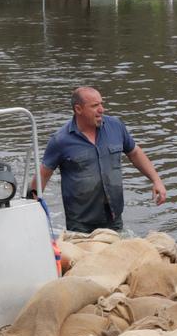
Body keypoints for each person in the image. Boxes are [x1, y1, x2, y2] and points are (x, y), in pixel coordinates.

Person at [37, 86, 166, 233]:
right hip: (81, 224)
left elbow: (135, 153)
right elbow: (43, 174)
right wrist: (32, 206)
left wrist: (156, 180)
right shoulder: (60, 140)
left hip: (113, 217)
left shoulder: (115, 126)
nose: (101, 109)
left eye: (101, 104)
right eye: (94, 106)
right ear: (78, 109)